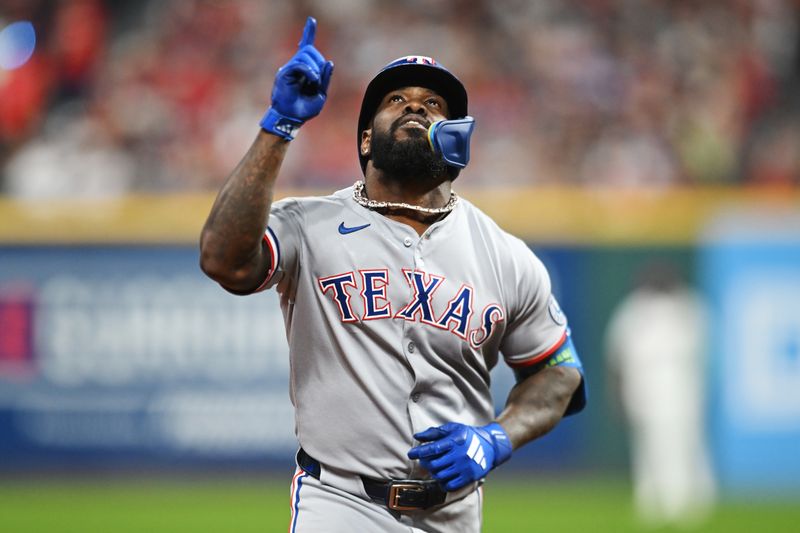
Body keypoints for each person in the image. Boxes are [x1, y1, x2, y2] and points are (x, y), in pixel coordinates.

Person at [200, 17, 586, 532]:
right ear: (366, 141)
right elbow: (223, 260)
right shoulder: (309, 225)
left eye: (433, 104)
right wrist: (278, 126)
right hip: (339, 503)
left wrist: (497, 438)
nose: (415, 106)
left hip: (453, 513)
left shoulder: (505, 255)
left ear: (456, 141)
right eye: (396, 100)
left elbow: (560, 373)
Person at [605, 262, 715, 529]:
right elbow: (618, 358)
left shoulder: (689, 308)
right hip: (649, 390)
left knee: (680, 447)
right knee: (654, 449)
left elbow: (704, 354)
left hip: (678, 389)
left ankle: (684, 504)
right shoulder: (636, 311)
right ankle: (658, 503)